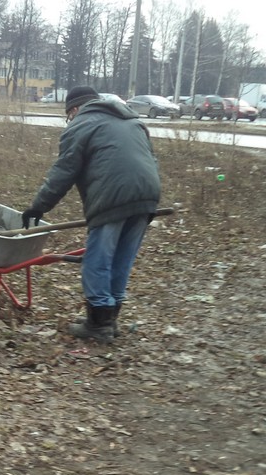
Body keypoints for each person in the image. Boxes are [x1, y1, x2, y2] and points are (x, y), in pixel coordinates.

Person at [21, 85, 161, 343]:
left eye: (68, 115)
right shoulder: (132, 121)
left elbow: (63, 172)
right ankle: (110, 320)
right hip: (147, 195)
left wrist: (38, 206)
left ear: (74, 109)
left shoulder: (81, 125)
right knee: (121, 259)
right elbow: (150, 159)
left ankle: (98, 324)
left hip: (112, 197)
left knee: (97, 261)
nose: (69, 120)